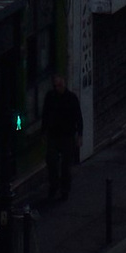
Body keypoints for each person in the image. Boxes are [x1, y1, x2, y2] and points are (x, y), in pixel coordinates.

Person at [40, 72, 85, 204]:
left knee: (66, 166)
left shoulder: (71, 98)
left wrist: (79, 135)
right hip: (54, 135)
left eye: (59, 85)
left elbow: (78, 117)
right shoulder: (50, 97)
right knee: (52, 163)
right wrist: (44, 132)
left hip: (67, 136)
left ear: (64, 84)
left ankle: (64, 189)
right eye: (55, 85)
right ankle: (54, 186)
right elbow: (45, 114)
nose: (57, 88)